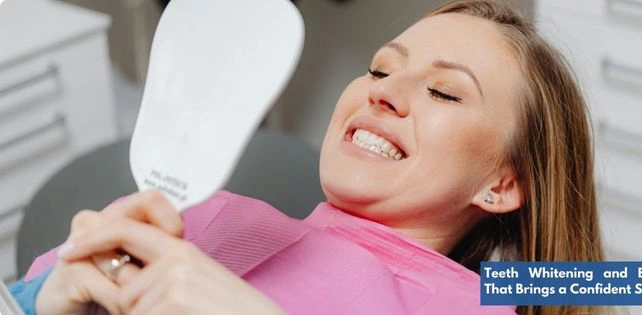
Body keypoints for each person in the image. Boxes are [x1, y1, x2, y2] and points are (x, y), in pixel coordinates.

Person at [11, 1, 606, 314]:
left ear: (502, 185)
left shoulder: (483, 300)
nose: (382, 90)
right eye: (380, 67)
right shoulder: (205, 214)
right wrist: (46, 301)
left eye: (444, 91)